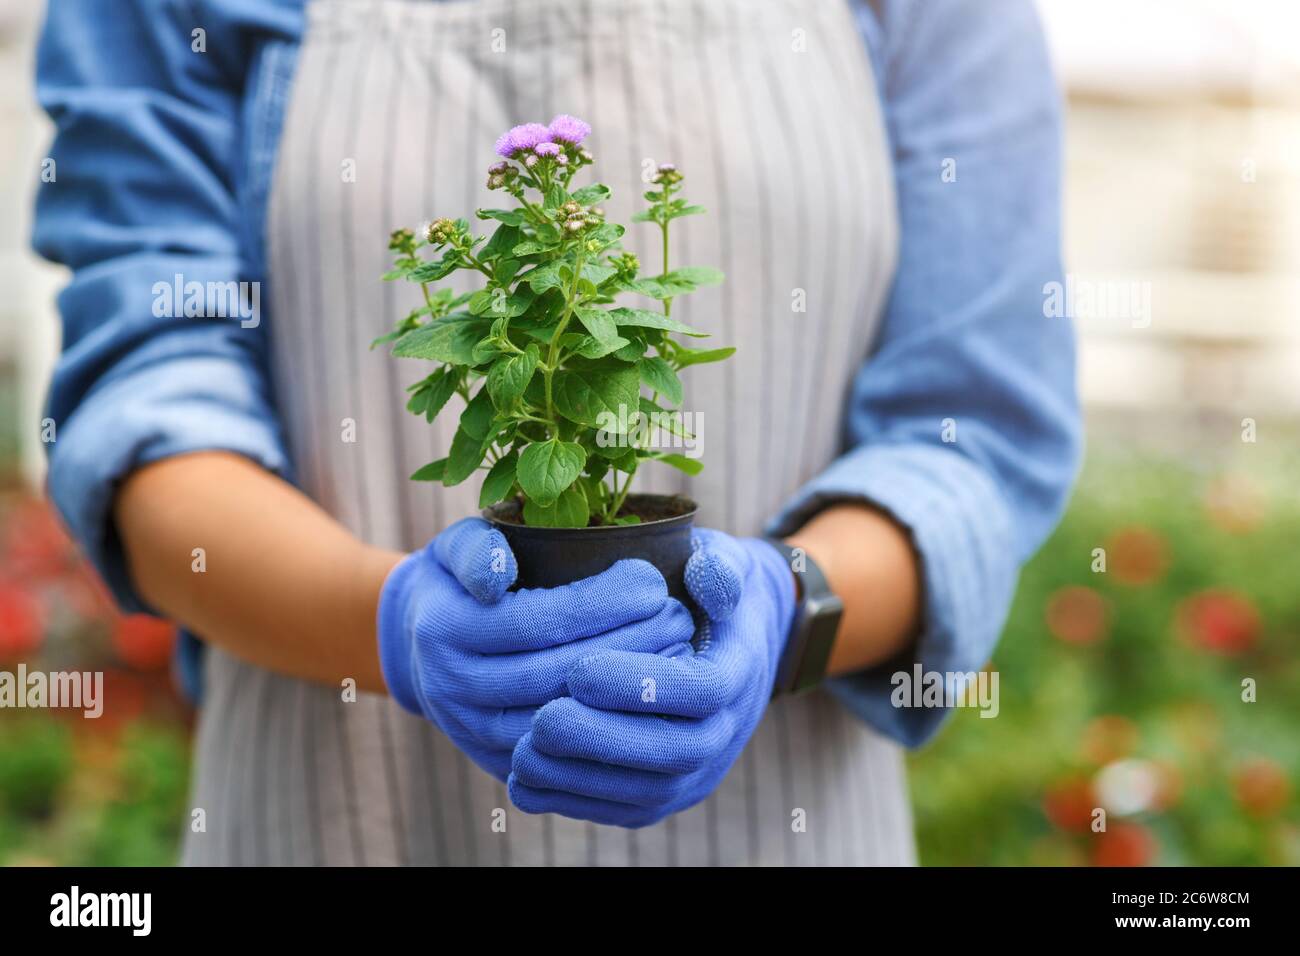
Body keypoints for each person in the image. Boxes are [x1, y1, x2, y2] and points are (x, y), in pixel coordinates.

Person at [33, 0, 1080, 865]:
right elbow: (148, 396)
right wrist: (392, 624)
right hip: (336, 807)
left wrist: (785, 609)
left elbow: (968, 436)